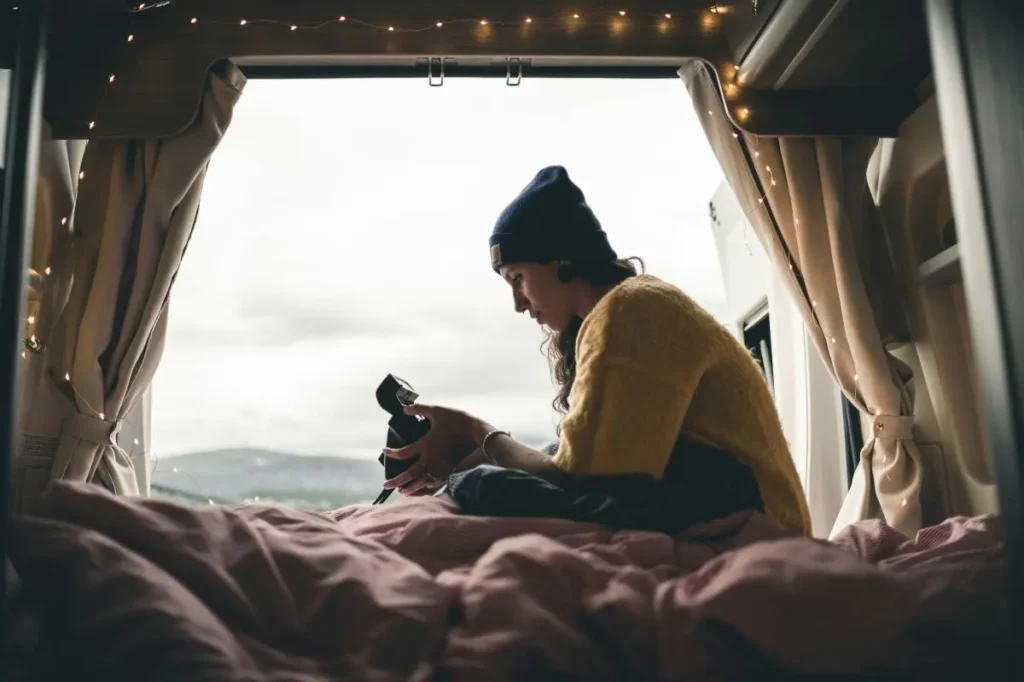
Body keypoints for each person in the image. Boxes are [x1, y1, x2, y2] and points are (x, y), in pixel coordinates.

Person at [383, 166, 811, 536]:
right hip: (730, 499)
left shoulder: (632, 309)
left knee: (484, 485)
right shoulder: (632, 307)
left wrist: (477, 432)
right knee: (491, 472)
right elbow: (580, 460)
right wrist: (461, 452)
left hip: (754, 516)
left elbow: (579, 476)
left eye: (518, 278)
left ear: (558, 260)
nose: (517, 303)